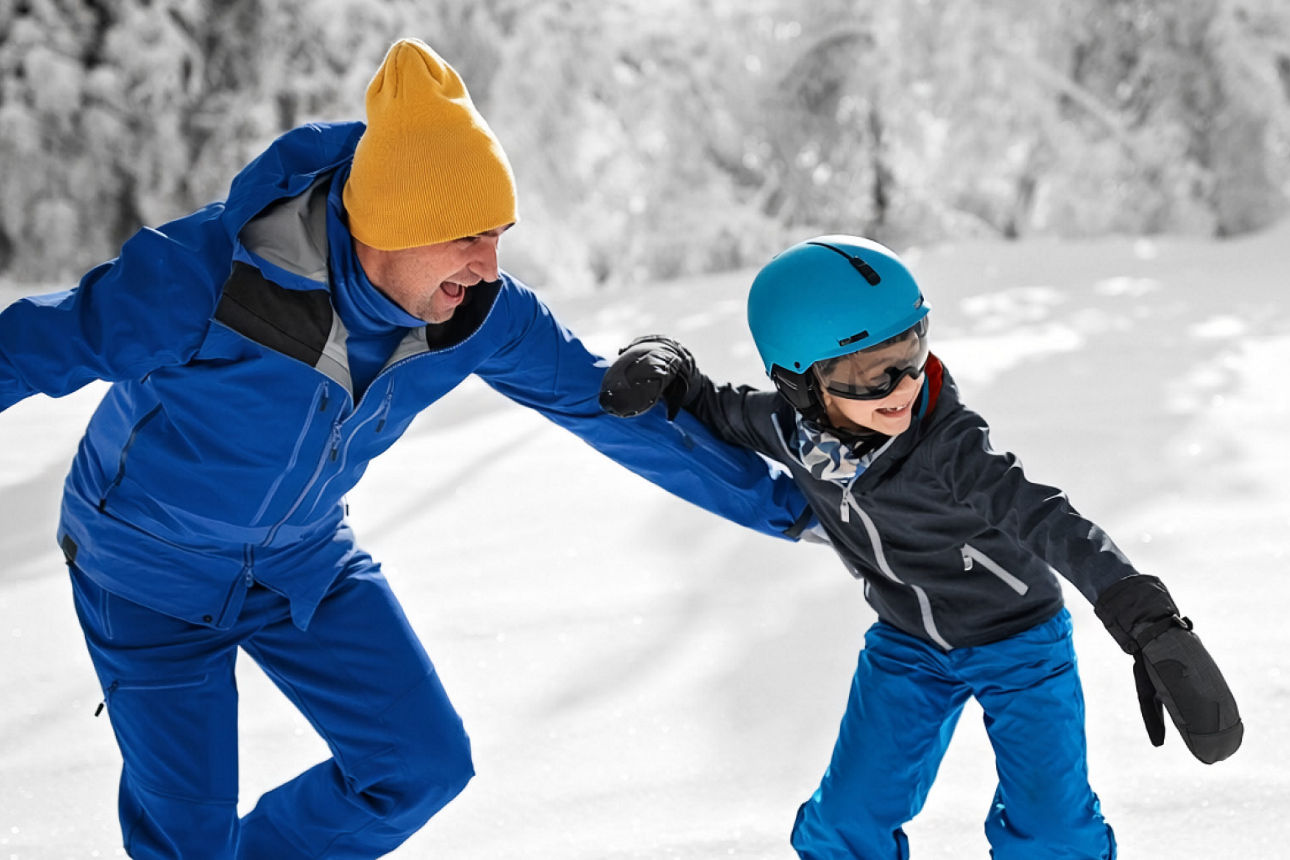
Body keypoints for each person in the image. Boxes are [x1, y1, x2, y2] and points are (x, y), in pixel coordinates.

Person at [0, 38, 811, 858]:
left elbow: (603, 404)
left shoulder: (481, 312)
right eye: (466, 237)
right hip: (145, 575)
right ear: (392, 224)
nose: (489, 264)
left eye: (498, 234)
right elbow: (29, 346)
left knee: (419, 768)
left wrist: (792, 512)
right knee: (186, 837)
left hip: (301, 563)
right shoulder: (207, 281)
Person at [599, 235, 1243, 859]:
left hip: (1019, 641)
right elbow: (713, 406)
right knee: (846, 825)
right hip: (907, 645)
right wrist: (667, 363)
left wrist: (1144, 616)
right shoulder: (789, 428)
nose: (902, 386)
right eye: (868, 374)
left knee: (1053, 835)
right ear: (800, 384)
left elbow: (1047, 518)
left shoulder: (948, 444)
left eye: (910, 352)